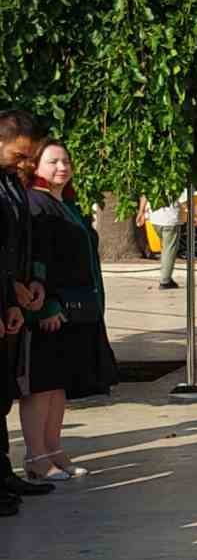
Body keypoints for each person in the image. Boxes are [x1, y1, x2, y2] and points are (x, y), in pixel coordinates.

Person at [18, 140, 117, 481]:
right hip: (50, 310)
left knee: (58, 385)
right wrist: (46, 304)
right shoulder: (35, 203)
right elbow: (36, 259)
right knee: (41, 385)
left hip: (75, 312)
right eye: (52, 161)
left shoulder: (66, 203)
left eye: (65, 160)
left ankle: (55, 449)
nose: (62, 166)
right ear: (35, 166)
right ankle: (36, 456)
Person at [0, 110, 51, 516]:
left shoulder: (11, 184)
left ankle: (3, 472)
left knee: (3, 391)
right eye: (19, 155)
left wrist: (28, 281)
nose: (26, 163)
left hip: (10, 303)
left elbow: (20, 241)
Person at [137, 195, 184, 289]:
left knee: (165, 248)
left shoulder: (151, 179)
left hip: (155, 218)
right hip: (171, 218)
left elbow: (144, 195)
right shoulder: (177, 181)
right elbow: (184, 199)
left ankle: (166, 276)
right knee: (169, 250)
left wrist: (141, 212)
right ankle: (165, 280)